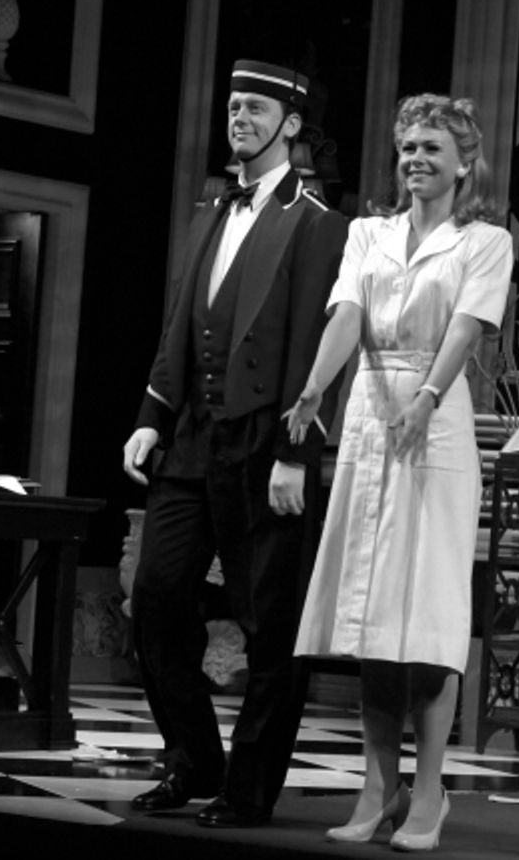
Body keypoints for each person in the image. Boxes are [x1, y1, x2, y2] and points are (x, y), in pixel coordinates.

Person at [121, 59, 348, 828]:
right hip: (192, 437)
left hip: (265, 441)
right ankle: (193, 758)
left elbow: (317, 344)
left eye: (254, 108)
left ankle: (249, 790)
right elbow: (180, 320)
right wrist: (153, 410)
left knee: (270, 624)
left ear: (290, 122)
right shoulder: (209, 210)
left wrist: (295, 451)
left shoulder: (317, 220)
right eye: (232, 107)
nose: (238, 119)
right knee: (154, 595)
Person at [284, 93, 513, 852]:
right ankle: (376, 784)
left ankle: (430, 790)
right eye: (408, 147)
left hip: (434, 423)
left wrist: (427, 396)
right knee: (370, 616)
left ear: (462, 163)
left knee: (426, 617)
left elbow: (467, 328)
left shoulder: (484, 242)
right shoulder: (366, 233)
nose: (417, 159)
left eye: (432, 148)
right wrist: (316, 385)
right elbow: (346, 315)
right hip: (367, 417)